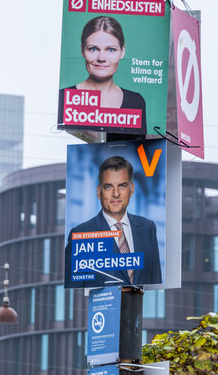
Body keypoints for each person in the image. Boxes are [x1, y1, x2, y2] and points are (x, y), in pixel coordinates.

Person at [65, 156, 162, 287]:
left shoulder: (147, 228)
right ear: (99, 191)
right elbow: (74, 291)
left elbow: (155, 280)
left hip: (142, 306)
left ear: (132, 189)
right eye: (108, 187)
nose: (116, 194)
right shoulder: (81, 234)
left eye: (122, 186)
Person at [58, 15, 147, 132]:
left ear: (122, 51)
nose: (101, 58)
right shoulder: (64, 98)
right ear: (82, 50)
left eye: (111, 50)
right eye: (93, 49)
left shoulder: (136, 102)